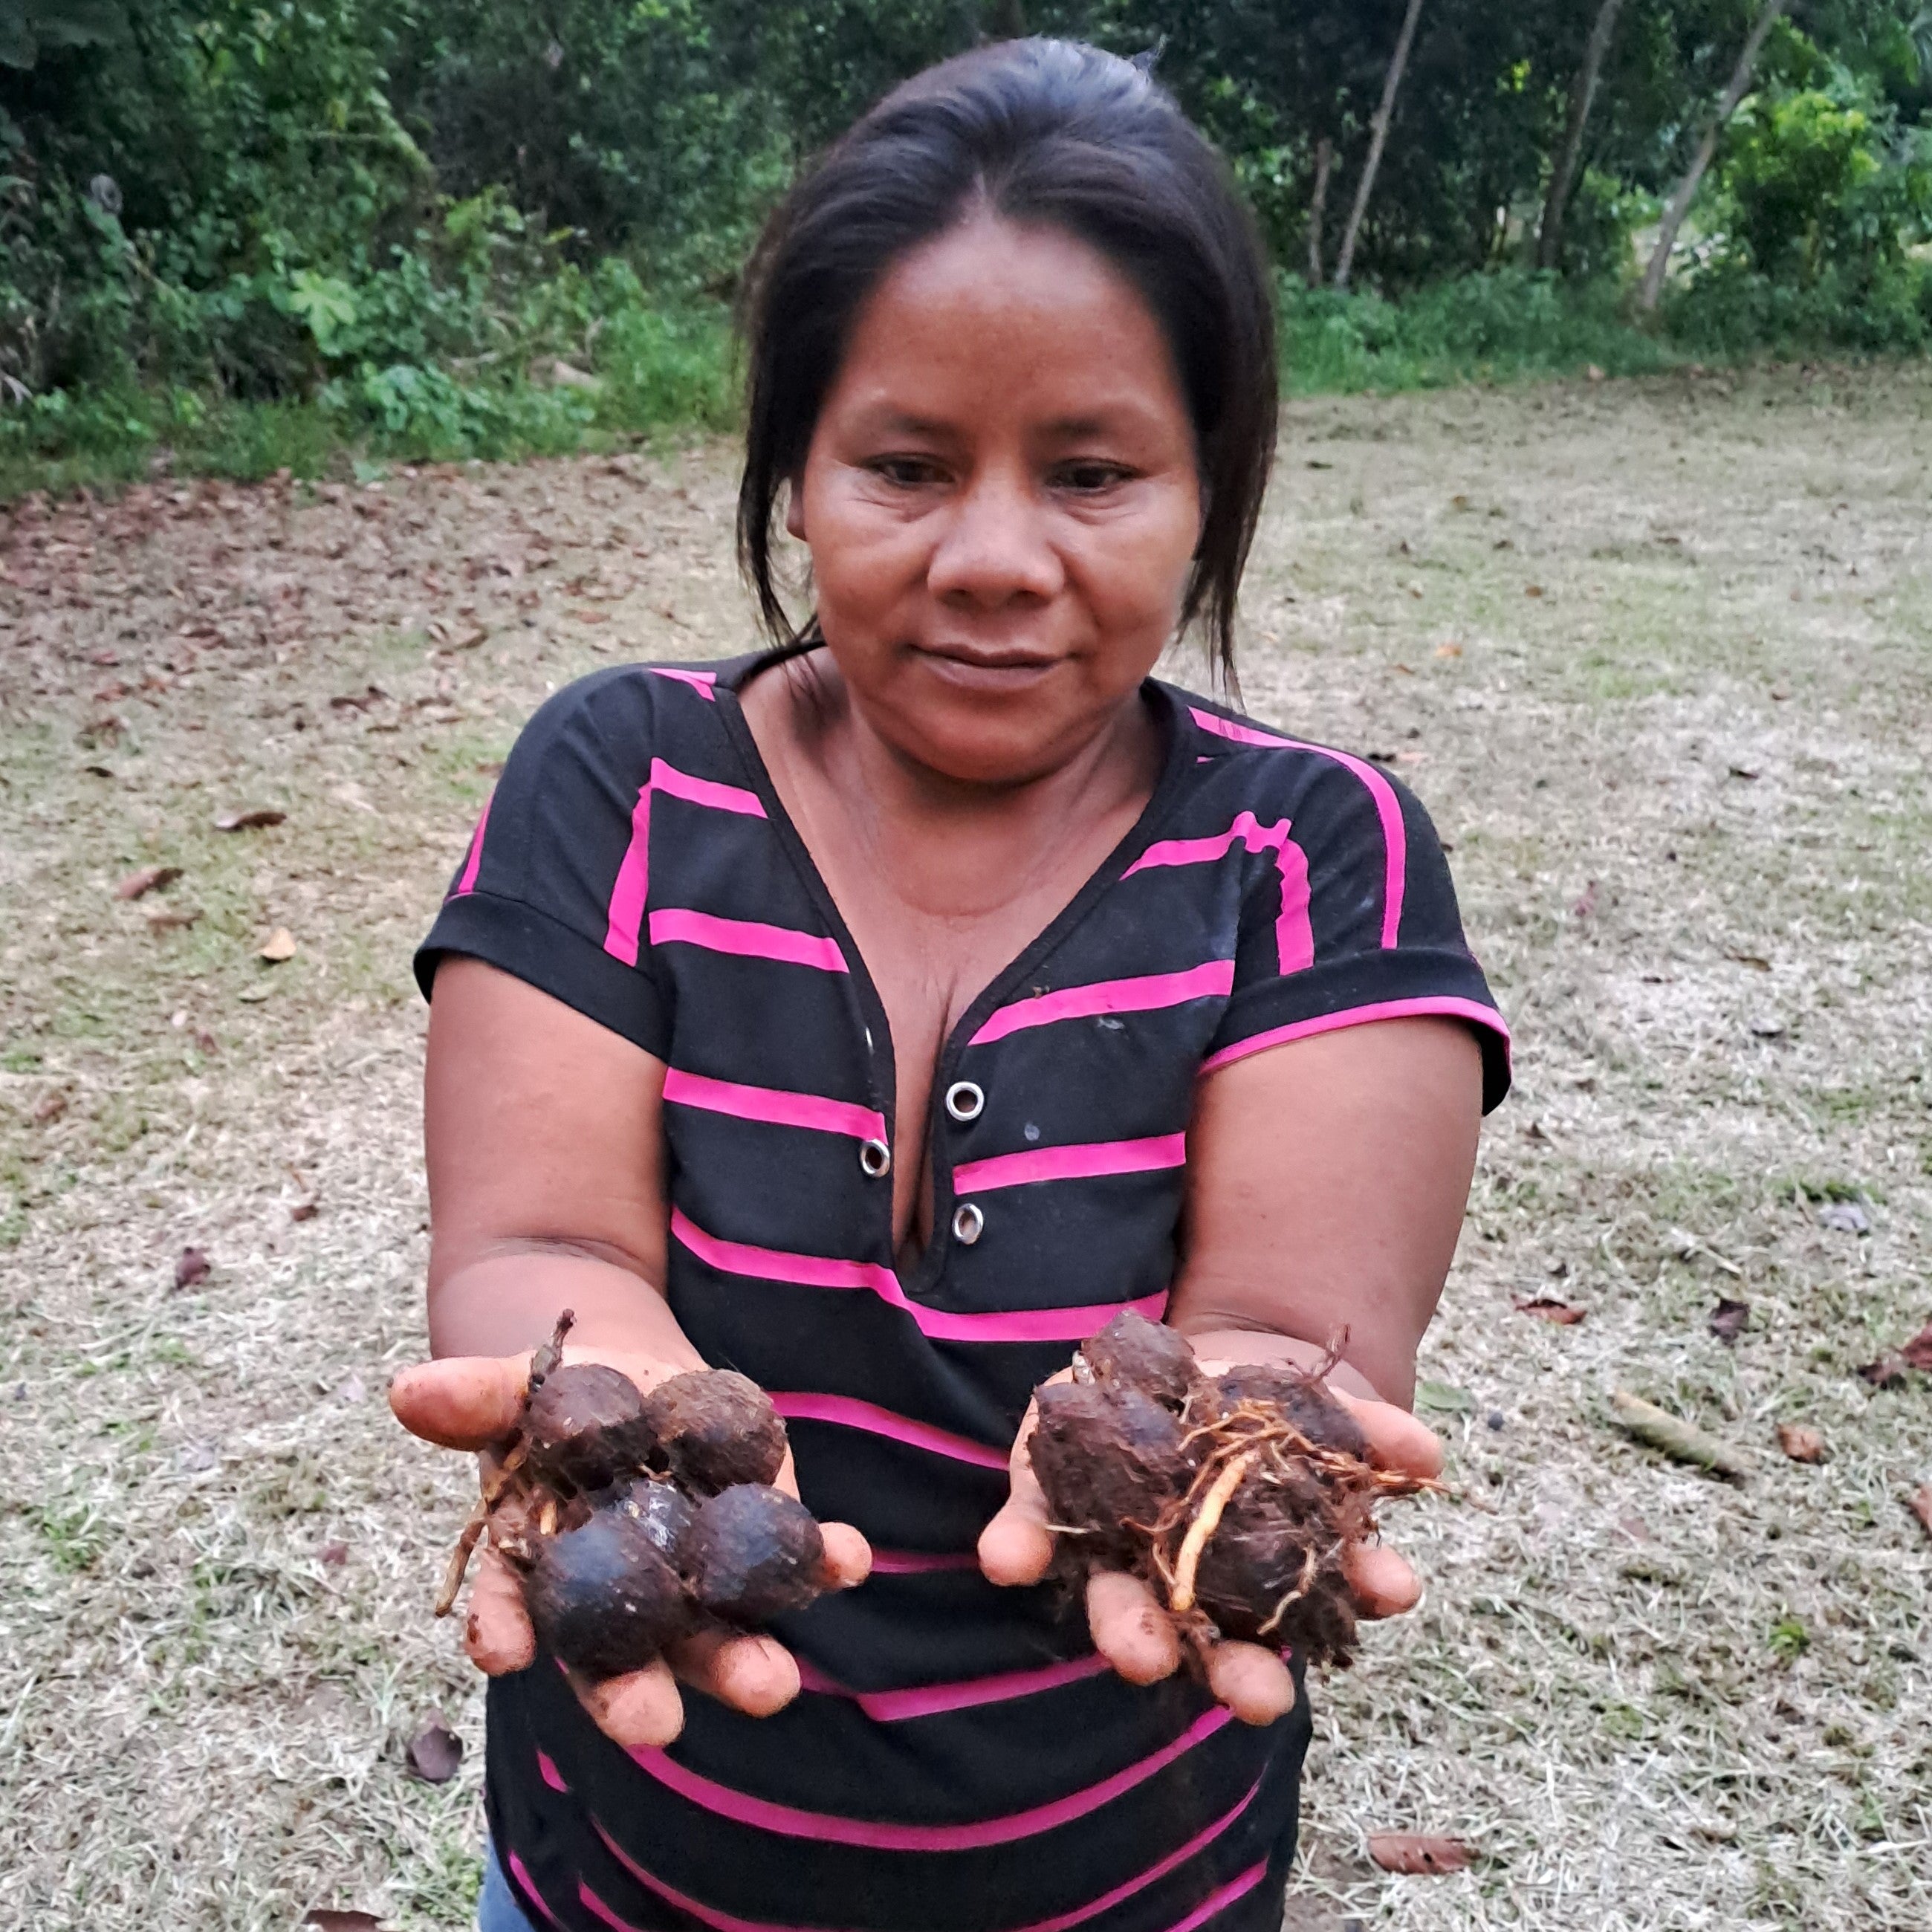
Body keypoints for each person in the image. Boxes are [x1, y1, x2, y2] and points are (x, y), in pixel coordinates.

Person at [388, 36, 1510, 1932]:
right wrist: (626, 1432)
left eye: (1090, 473)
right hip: (631, 1867)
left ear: (1203, 490)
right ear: (799, 476)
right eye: (906, 466)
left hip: (1126, 1872)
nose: (995, 559)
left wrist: (1214, 1473)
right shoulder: (617, 785)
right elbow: (540, 1245)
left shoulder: (1316, 861)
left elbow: (1279, 1339)